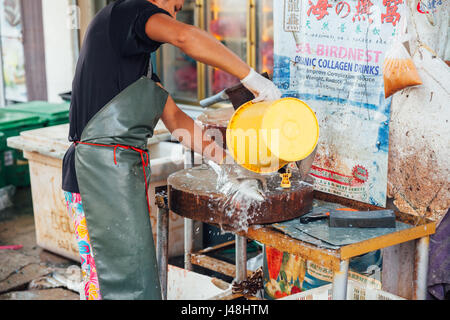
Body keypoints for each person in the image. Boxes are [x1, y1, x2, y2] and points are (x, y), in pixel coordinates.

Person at [62, 0, 281, 300]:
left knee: (136, 282)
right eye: (176, 7)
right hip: (95, 178)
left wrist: (230, 164)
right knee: (111, 286)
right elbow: (185, 36)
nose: (175, 15)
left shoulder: (139, 67)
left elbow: (178, 122)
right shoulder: (122, 14)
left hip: (118, 177)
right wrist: (251, 78)